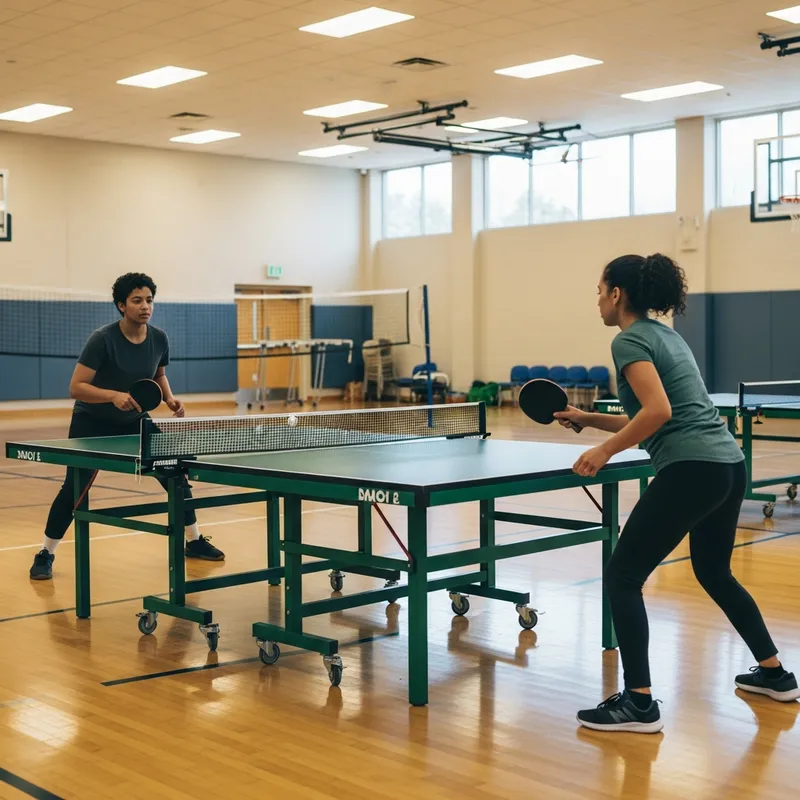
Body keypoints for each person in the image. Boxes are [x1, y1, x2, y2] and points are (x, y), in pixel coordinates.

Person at [554, 253, 799, 734]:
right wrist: (589, 419)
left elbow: (659, 412)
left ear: (617, 294)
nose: (598, 301)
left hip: (692, 469)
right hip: (728, 465)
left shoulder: (628, 340)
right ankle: (775, 674)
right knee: (714, 572)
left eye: (600, 291)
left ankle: (639, 704)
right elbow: (653, 414)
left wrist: (603, 451)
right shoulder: (666, 336)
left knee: (622, 576)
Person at [29, 272, 225, 581]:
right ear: (122, 306)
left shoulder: (159, 338)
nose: (145, 306)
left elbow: (158, 375)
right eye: (137, 301)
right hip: (91, 422)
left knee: (174, 471)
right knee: (74, 490)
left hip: (134, 421)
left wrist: (170, 399)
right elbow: (76, 387)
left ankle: (194, 540)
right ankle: (46, 553)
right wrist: (113, 396)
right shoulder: (102, 339)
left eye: (149, 300)